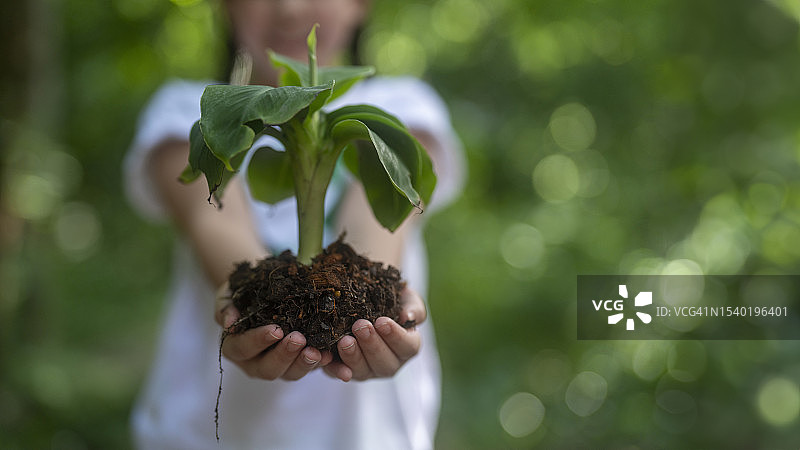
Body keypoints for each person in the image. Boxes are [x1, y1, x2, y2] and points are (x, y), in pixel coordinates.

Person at [124, 0, 465, 448]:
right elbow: (213, 221)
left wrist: (370, 307)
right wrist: (251, 298)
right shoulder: (194, 111)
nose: (289, 8)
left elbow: (380, 226)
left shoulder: (400, 105)